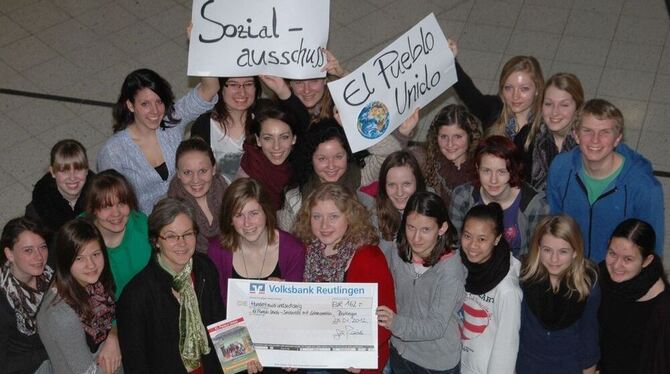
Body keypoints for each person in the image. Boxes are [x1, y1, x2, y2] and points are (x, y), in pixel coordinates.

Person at [117, 197, 227, 374]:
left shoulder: (205, 268)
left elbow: (220, 322)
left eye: (187, 234)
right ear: (156, 241)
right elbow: (136, 364)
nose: (181, 243)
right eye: (171, 236)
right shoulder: (135, 295)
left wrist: (244, 360)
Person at [294, 183, 396, 373]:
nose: (324, 225)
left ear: (349, 217)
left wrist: (360, 358)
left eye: (333, 216)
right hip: (316, 359)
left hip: (355, 364)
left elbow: (385, 318)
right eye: (317, 217)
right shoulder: (304, 250)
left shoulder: (369, 256)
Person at [546, 99, 664, 261]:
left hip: (617, 274)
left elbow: (652, 248)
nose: (595, 140)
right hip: (571, 266)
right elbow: (553, 223)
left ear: (617, 139)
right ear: (576, 135)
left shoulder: (645, 188)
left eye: (605, 132)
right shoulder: (560, 168)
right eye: (587, 131)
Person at [98, 68, 220, 214]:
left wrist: (202, 46)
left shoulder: (172, 122)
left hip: (188, 215)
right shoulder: (113, 151)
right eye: (145, 104)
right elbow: (108, 202)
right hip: (148, 228)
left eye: (159, 101)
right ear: (130, 105)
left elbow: (210, 88)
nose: (155, 111)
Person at [377, 191, 465, 374]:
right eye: (410, 227)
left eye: (426, 230)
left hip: (435, 362)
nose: (416, 238)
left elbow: (436, 326)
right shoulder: (396, 250)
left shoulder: (450, 269)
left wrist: (396, 324)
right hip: (400, 352)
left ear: (441, 229)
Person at [516, 215, 599, 374]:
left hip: (568, 366)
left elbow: (589, 340)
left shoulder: (588, 285)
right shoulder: (524, 277)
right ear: (538, 248)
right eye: (547, 250)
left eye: (563, 251)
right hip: (528, 364)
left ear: (575, 252)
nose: (554, 259)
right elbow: (517, 331)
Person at [36, 218, 120, 374]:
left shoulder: (92, 286)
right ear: (65, 260)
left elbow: (115, 318)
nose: (91, 265)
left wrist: (113, 337)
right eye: (79, 258)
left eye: (95, 254)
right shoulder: (62, 315)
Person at [207, 178, 306, 302]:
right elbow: (216, 307)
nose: (247, 223)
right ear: (230, 220)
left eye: (253, 213)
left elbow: (296, 308)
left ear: (266, 211)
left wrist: (284, 296)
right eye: (238, 215)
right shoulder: (217, 251)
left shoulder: (294, 250)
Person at [449, 135, 548, 257]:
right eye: (486, 171)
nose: (493, 180)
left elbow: (533, 258)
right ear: (477, 168)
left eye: (501, 172)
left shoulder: (535, 205)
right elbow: (455, 249)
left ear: (513, 170)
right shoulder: (463, 197)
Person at [598, 219, 670, 374]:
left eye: (628, 259)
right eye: (612, 253)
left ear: (647, 260)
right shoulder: (600, 277)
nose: (616, 265)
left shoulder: (662, 309)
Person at [278, 119, 375, 231]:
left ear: (348, 155)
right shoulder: (294, 199)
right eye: (322, 159)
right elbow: (288, 243)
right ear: (310, 159)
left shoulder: (361, 174)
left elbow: (388, 151)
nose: (331, 166)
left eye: (338, 157)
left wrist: (356, 128)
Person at [459, 203, 522, 374]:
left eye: (482, 239)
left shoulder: (508, 290)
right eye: (467, 236)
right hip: (458, 365)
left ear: (496, 239)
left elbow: (506, 348)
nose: (472, 245)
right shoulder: (459, 267)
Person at [449, 40, 544, 140]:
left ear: (537, 89)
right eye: (508, 88)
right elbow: (467, 92)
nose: (515, 96)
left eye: (524, 89)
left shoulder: (546, 126)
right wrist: (450, 61)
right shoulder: (494, 109)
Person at [83, 169, 152, 300]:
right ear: (93, 209)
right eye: (107, 206)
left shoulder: (143, 226)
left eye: (121, 203)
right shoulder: (81, 239)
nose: (116, 214)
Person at [1, 217, 52, 374]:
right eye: (28, 250)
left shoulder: (52, 276)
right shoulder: (3, 300)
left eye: (43, 247)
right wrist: (51, 351)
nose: (39, 257)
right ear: (9, 254)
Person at [517, 73, 583, 190]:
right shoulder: (527, 137)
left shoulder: (589, 144)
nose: (554, 112)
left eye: (564, 105)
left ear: (578, 108)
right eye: (548, 104)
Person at [190, 76, 262, 183]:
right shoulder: (204, 125)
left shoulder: (265, 122)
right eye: (233, 84)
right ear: (220, 89)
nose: (242, 92)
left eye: (248, 84)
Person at [168, 137, 228, 254]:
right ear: (178, 173)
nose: (196, 180)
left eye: (203, 171)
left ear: (213, 169)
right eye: (187, 172)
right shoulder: (170, 212)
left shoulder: (227, 192)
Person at [412, 104, 481, 205]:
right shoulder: (425, 160)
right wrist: (403, 134)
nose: (450, 144)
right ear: (436, 137)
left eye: (457, 136)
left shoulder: (482, 168)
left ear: (470, 136)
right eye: (444, 137)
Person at [235, 104, 299, 210]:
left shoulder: (301, 168)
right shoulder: (247, 176)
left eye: (284, 137)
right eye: (268, 138)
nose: (276, 146)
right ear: (258, 140)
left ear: (294, 139)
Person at [26, 139, 94, 236]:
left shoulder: (100, 198)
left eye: (78, 169)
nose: (72, 177)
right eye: (64, 171)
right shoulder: (38, 211)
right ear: (53, 172)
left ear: (87, 170)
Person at [373, 151, 427, 258]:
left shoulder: (431, 205)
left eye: (406, 184)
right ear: (384, 186)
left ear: (417, 182)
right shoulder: (375, 215)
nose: (399, 192)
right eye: (392, 185)